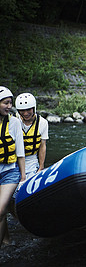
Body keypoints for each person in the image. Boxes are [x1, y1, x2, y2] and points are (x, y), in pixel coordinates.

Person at [0, 87, 25, 247]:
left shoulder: (14, 122)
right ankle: (6, 241)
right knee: (2, 214)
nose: (9, 106)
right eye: (5, 103)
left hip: (10, 173)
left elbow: (20, 152)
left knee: (0, 211)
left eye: (10, 103)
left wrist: (23, 177)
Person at [15, 93, 49, 179]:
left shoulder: (42, 123)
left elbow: (42, 145)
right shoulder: (13, 121)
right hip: (13, 159)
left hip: (31, 160)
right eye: (22, 110)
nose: (26, 113)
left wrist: (41, 167)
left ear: (34, 108)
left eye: (28, 110)